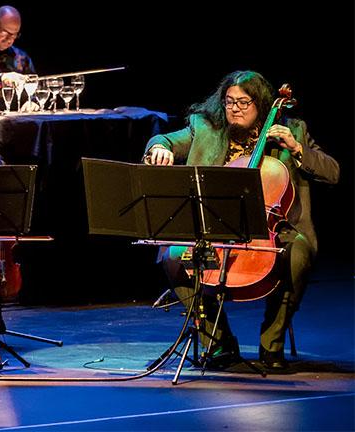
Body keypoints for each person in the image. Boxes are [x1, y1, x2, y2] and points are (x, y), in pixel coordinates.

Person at [144, 70, 339, 373]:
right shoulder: (206, 127)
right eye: (229, 101)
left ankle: (271, 345)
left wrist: (297, 149)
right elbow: (166, 139)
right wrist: (159, 148)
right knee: (170, 255)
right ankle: (217, 341)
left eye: (243, 103)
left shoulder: (292, 130)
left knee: (298, 252)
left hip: (272, 229)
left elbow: (333, 172)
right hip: (214, 226)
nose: (234, 109)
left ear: (260, 104)